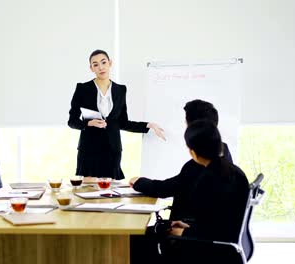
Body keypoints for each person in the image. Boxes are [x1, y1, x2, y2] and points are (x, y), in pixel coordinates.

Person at [128, 99, 236, 263]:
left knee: (130, 241)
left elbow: (165, 188)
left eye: (186, 122)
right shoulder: (224, 153)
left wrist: (138, 181)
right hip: (204, 233)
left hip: (195, 241)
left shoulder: (201, 165)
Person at [68, 49, 165, 180]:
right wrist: (88, 123)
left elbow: (123, 122)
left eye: (103, 62)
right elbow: (72, 121)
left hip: (112, 149)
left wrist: (148, 125)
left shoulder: (120, 90)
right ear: (91, 68)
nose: (101, 67)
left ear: (110, 63)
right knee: (88, 190)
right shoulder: (83, 89)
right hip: (89, 149)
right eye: (95, 64)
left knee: (110, 194)